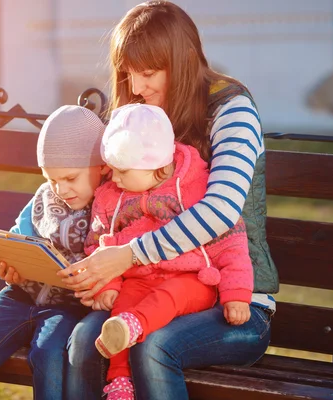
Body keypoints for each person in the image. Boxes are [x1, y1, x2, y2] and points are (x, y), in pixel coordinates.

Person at [59, 2, 279, 399]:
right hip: (143, 291)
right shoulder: (140, 116)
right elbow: (102, 201)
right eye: (129, 73)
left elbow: (221, 211)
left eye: (148, 73)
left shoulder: (232, 111)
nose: (137, 86)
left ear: (183, 62)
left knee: (153, 345)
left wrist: (128, 255)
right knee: (84, 342)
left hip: (232, 301)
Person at [85, 103, 254, 399]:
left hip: (193, 280)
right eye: (112, 169)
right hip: (139, 280)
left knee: (169, 296)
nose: (114, 178)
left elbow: (232, 244)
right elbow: (100, 244)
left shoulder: (196, 188)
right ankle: (120, 381)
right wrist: (109, 284)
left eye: (122, 171)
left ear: (159, 169)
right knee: (121, 311)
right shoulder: (112, 197)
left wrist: (236, 294)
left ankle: (136, 324)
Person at [0, 105, 109, 400]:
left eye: (70, 178)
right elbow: (19, 240)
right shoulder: (42, 199)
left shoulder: (109, 205)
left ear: (102, 166)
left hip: (69, 308)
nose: (61, 189)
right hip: (20, 296)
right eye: (52, 179)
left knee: (49, 357)